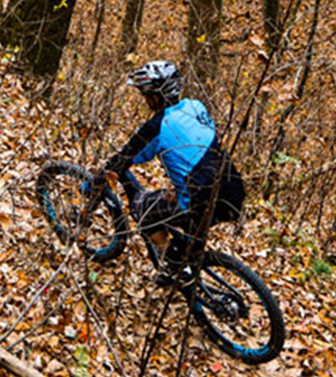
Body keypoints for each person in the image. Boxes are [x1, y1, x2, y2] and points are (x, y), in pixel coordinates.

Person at [100, 60, 246, 286]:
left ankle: (171, 266)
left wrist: (97, 181)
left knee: (144, 209)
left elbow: (128, 157)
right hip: (233, 191)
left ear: (157, 96)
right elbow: (195, 146)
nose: (145, 100)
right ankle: (184, 258)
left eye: (147, 95)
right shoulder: (196, 106)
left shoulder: (156, 126)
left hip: (199, 201)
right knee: (183, 214)